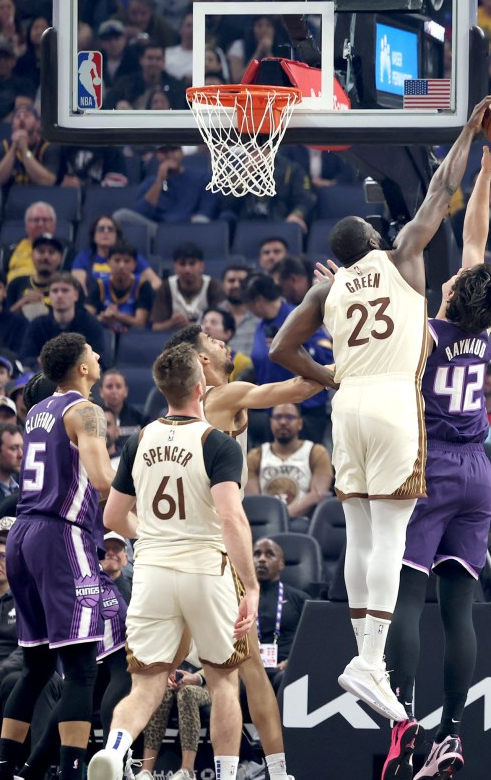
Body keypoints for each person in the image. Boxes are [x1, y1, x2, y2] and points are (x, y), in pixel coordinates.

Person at [268, 94, 491, 723]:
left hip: (348, 404)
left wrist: (326, 376)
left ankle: (363, 653)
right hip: (412, 418)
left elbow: (279, 347)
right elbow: (441, 195)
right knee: (394, 543)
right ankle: (372, 665)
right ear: (377, 239)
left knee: (363, 538)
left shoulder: (329, 285)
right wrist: (470, 141)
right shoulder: (411, 269)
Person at [377, 146, 491, 780]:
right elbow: (477, 237)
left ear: (455, 292)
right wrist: (488, 174)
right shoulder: (484, 334)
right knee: (459, 611)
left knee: (408, 601)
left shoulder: (427, 332)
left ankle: (404, 728)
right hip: (479, 473)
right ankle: (454, 733)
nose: (456, 274)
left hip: (431, 469)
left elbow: (458, 241)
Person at [86, 343, 259, 780]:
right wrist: (251, 587)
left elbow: (111, 516)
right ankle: (223, 773)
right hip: (205, 568)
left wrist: (156, 535)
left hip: (153, 571)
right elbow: (232, 518)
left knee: (146, 684)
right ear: (201, 387)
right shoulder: (217, 442)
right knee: (223, 681)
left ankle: (115, 747)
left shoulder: (138, 438)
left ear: (162, 389)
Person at [162, 324, 320, 780]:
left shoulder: (172, 415)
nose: (223, 340)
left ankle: (135, 754)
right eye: (212, 340)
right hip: (215, 551)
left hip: (177, 550)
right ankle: (268, 770)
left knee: (209, 671)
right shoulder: (224, 396)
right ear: (202, 362)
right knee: (239, 672)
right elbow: (303, 386)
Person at [0, 333, 113, 780]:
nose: (99, 357)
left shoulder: (38, 410)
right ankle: (72, 772)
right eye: (93, 353)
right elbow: (102, 479)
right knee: (81, 667)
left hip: (22, 534)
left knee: (37, 664)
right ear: (81, 368)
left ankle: (5, 769)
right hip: (61, 535)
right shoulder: (87, 410)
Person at [0, 532, 60, 743]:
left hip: (18, 670)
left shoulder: (33, 595)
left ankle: (36, 770)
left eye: (2, 556)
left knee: (27, 682)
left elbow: (34, 646)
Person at [245, 273, 333, 444]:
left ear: (258, 300)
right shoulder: (262, 326)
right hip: (274, 408)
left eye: (249, 305)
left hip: (306, 407)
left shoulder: (298, 315)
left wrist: (294, 346)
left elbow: (325, 354)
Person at [246, 403, 334, 525]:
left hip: (303, 522)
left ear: (300, 423)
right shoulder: (255, 456)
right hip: (265, 523)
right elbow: (254, 501)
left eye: (289, 417)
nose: (283, 422)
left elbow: (317, 495)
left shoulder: (317, 452)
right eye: (277, 417)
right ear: (270, 422)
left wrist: (280, 516)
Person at [134, 651, 210, 780]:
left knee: (187, 692)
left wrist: (196, 677)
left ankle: (187, 771)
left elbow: (223, 664)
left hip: (209, 685)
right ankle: (146, 771)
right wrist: (166, 675)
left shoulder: (211, 632)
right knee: (161, 693)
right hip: (175, 679)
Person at [114, 145, 217, 237]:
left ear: (181, 153)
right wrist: (160, 180)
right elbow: (141, 213)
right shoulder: (151, 182)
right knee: (120, 216)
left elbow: (207, 212)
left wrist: (186, 221)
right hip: (159, 230)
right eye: (164, 151)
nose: (169, 155)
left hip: (189, 229)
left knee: (201, 221)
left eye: (173, 150)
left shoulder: (202, 177)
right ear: (157, 156)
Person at [253, 538, 309, 693]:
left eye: (269, 554)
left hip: (285, 668)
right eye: (256, 554)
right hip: (249, 668)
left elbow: (312, 640)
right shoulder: (238, 598)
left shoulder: (300, 599)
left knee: (287, 679)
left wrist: (292, 661)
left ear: (281, 564)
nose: (262, 559)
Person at [19, 271, 105, 366]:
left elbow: (100, 359)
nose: (59, 295)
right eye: (55, 291)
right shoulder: (38, 325)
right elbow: (25, 359)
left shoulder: (90, 324)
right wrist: (44, 360)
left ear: (76, 295)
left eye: (65, 290)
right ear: (50, 295)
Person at [71, 216, 161, 294]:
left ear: (117, 236)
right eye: (101, 229)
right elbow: (78, 286)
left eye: (110, 229)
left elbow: (156, 282)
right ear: (93, 235)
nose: (105, 232)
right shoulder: (83, 257)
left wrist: (140, 297)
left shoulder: (131, 256)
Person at [150, 242, 225, 332]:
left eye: (192, 264)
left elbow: (222, 326)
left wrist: (189, 326)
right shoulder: (166, 287)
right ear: (175, 267)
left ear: (201, 266)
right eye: (182, 264)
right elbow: (155, 327)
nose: (187, 269)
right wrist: (171, 323)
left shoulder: (213, 287)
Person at [86, 241, 154, 333]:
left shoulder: (143, 285)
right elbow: (86, 318)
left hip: (134, 338)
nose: (121, 266)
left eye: (126, 261)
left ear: (134, 264)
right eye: (117, 260)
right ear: (109, 262)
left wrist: (117, 316)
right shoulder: (100, 284)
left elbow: (140, 323)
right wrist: (101, 318)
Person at [0, 201, 60, 284]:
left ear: (54, 225)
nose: (40, 224)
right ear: (26, 225)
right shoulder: (8, 249)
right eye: (35, 220)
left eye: (45, 220)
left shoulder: (65, 249)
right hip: (12, 294)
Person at [6, 233, 63, 319]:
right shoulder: (16, 284)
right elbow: (3, 322)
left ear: (60, 258)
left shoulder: (69, 287)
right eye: (41, 251)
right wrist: (22, 303)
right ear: (32, 256)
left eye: (51, 252)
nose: (46, 256)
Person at [201, 307, 252, 381]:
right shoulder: (194, 358)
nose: (207, 326)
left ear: (227, 333)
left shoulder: (242, 363)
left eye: (213, 323)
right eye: (204, 322)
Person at [220, 261, 259, 357]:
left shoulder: (261, 315)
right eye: (231, 281)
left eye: (242, 281)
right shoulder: (212, 315)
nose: (236, 285)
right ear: (222, 285)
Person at [98, 368, 145, 443]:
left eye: (118, 386)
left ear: (126, 391)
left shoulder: (141, 419)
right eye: (109, 386)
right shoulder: (94, 417)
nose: (114, 391)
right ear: (101, 392)